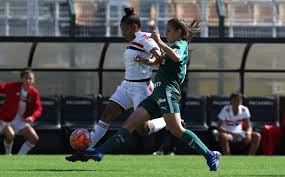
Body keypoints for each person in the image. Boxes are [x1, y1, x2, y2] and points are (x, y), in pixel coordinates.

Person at [66, 17, 221, 171]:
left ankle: (209, 154)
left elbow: (177, 57)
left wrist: (159, 42)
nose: (165, 33)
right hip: (157, 92)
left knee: (176, 130)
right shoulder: (172, 45)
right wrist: (146, 61)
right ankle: (99, 152)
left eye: (168, 30)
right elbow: (162, 61)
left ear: (178, 32)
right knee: (130, 123)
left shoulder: (181, 44)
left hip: (168, 91)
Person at [88, 7, 166, 149]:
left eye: (125, 30)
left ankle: (166, 120)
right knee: (107, 114)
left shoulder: (145, 38)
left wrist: (145, 61)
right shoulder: (135, 40)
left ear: (134, 27)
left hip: (141, 88)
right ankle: (86, 148)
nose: (123, 33)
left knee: (142, 129)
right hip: (126, 86)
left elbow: (160, 58)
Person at [0, 68, 42, 155]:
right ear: (22, 79)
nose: (28, 80)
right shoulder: (13, 86)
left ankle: (19, 157)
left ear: (33, 80)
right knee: (10, 135)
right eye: (26, 78)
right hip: (6, 118)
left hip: (21, 120)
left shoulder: (34, 93)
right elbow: (1, 88)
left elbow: (38, 108)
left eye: (30, 78)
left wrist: (32, 117)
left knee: (34, 138)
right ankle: (8, 155)